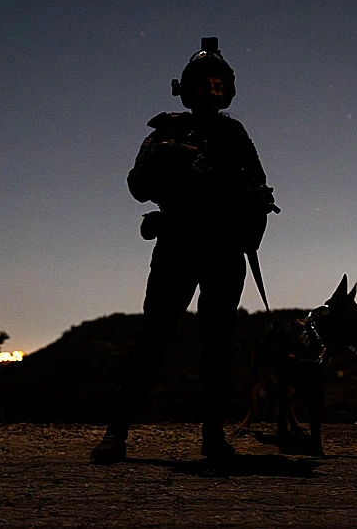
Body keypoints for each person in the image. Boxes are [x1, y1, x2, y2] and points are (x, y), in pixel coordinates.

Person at [90, 37, 277, 463]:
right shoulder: (166, 131)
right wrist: (172, 159)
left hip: (225, 250)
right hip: (177, 245)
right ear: (189, 88)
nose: (212, 91)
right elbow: (138, 186)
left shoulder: (234, 133)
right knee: (152, 338)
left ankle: (213, 437)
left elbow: (259, 187)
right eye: (205, 84)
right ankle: (116, 432)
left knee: (218, 344)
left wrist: (246, 200)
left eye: (218, 85)